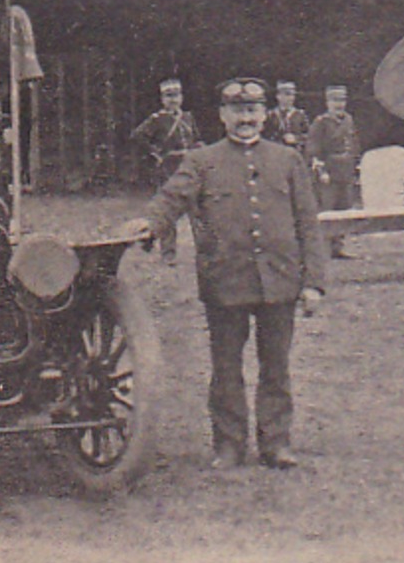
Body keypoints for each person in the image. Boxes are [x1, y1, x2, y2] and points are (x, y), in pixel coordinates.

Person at [123, 78, 326, 470]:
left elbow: (308, 224)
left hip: (278, 281)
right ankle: (229, 445)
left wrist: (313, 282)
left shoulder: (287, 161)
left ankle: (276, 443)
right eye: (237, 111)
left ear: (264, 115)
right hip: (226, 282)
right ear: (222, 116)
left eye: (252, 111)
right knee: (226, 368)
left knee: (276, 367)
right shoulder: (202, 161)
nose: (245, 118)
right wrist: (149, 224)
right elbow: (172, 198)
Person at [128, 78, 200, 265]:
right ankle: (168, 255)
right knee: (168, 211)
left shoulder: (188, 118)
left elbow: (196, 140)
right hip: (169, 168)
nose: (173, 100)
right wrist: (156, 153)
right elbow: (137, 136)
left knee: (196, 209)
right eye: (168, 96)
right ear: (162, 99)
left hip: (189, 168)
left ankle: (203, 251)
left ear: (182, 97)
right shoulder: (157, 120)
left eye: (176, 96)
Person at [307, 83, 358, 259]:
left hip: (346, 170)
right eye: (335, 100)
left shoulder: (348, 120)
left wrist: (355, 165)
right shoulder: (321, 122)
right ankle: (323, 249)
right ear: (327, 102)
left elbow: (353, 143)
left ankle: (338, 247)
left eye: (342, 100)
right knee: (327, 210)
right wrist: (321, 172)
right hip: (329, 171)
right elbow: (314, 149)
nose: (339, 104)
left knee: (344, 209)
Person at [265, 80, 310, 151]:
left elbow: (309, 136)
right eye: (287, 94)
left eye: (293, 95)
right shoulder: (270, 115)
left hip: (293, 152)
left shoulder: (300, 115)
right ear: (278, 96)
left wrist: (296, 139)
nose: (291, 98)